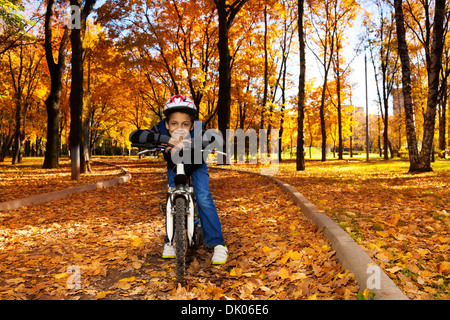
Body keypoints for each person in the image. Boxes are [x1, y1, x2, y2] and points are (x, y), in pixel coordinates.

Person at [129, 94, 228, 265]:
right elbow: (134, 135)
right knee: (172, 197)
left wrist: (197, 143)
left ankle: (217, 244)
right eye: (174, 124)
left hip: (196, 164)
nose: (179, 128)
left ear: (191, 126)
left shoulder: (198, 130)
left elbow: (216, 137)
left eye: (185, 124)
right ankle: (170, 240)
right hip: (175, 165)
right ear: (166, 124)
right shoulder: (160, 129)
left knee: (203, 197)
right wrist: (166, 140)